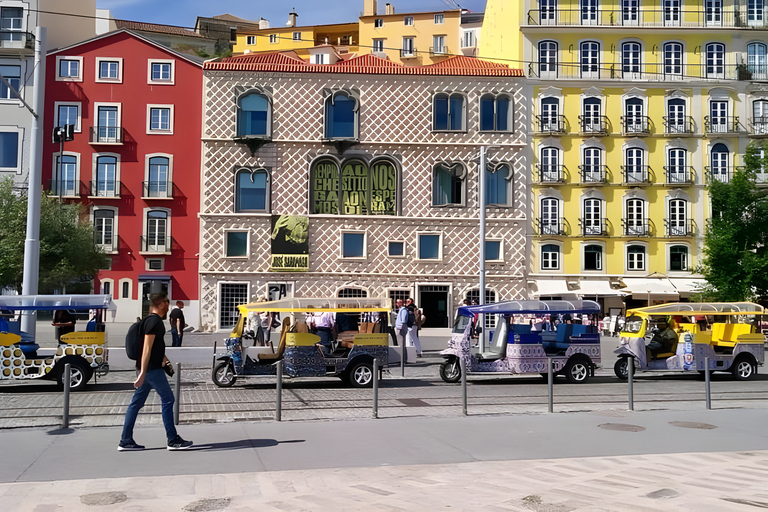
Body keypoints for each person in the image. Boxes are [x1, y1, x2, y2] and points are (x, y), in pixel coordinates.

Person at [119, 292, 192, 452]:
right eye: (165, 303)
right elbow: (147, 348)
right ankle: (172, 440)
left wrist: (165, 360)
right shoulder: (154, 322)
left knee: (136, 403)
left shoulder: (149, 321)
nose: (168, 306)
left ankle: (125, 440)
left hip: (149, 368)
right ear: (159, 305)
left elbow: (156, 347)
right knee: (168, 400)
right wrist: (143, 372)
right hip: (151, 370)